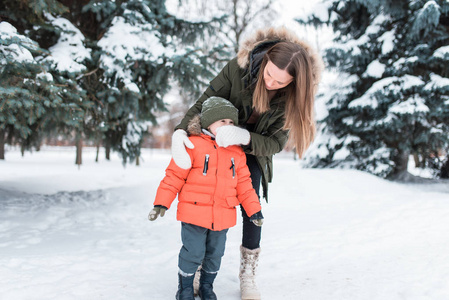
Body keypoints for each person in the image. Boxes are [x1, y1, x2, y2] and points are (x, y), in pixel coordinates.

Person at [170, 27, 324, 300]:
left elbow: (276, 143)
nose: (271, 83)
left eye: (280, 82)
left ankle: (248, 272)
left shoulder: (292, 99)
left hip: (253, 150)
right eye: (269, 75)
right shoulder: (238, 69)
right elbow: (204, 102)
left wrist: (244, 137)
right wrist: (180, 131)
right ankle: (197, 266)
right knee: (207, 199)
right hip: (216, 144)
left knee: (251, 207)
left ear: (294, 83)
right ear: (264, 62)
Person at [149, 96, 265, 300]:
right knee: (192, 252)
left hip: (222, 215)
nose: (227, 126)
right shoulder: (192, 145)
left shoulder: (236, 152)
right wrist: (161, 203)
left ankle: (206, 287)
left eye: (231, 122)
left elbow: (245, 185)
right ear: (208, 122)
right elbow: (174, 176)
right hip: (194, 213)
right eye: (222, 121)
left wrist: (254, 209)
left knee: (215, 255)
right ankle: (184, 288)